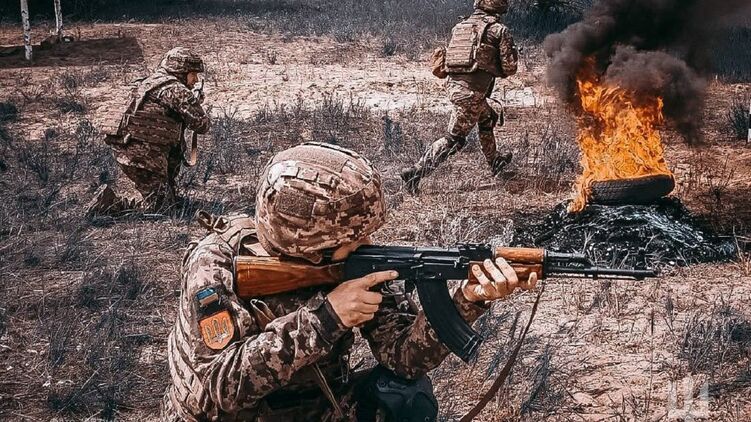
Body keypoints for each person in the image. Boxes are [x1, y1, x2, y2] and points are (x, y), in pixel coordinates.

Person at [161, 142, 537, 421]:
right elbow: (222, 385)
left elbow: (404, 358)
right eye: (354, 238)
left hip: (314, 406)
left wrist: (468, 298)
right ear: (311, 246)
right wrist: (328, 317)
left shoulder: (351, 263)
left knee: (405, 396)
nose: (368, 243)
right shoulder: (215, 265)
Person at [401, 0, 519, 194]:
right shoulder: (499, 30)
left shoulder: (461, 26)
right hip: (472, 93)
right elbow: (510, 68)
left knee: (487, 118)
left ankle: (495, 162)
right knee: (454, 139)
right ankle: (415, 172)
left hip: (455, 88)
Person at [87, 47, 211, 215]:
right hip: (144, 155)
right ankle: (109, 205)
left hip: (126, 148)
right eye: (193, 74)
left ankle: (161, 198)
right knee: (163, 210)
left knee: (168, 199)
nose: (195, 80)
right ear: (180, 72)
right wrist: (194, 103)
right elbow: (202, 125)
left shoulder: (145, 83)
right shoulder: (176, 89)